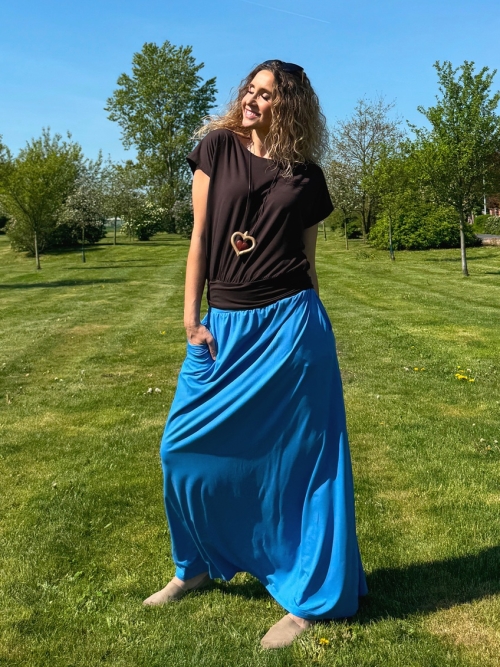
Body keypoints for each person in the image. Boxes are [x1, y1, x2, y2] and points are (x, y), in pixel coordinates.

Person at [143, 59, 367, 649]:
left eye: (266, 95)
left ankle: (311, 599)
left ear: (287, 106)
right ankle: (192, 567)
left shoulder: (307, 177)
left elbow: (308, 262)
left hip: (293, 327)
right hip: (225, 325)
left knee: (308, 464)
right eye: (250, 88)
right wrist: (191, 319)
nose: (251, 99)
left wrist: (318, 327)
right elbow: (199, 237)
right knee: (180, 449)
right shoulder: (216, 149)